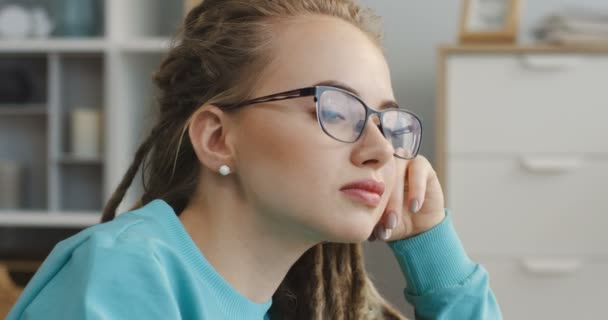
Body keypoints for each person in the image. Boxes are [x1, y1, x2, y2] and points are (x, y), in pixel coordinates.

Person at [8, 1, 502, 319]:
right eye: (335, 108)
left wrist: (432, 246)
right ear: (218, 138)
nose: (379, 150)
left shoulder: (293, 306)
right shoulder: (123, 273)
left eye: (386, 121)